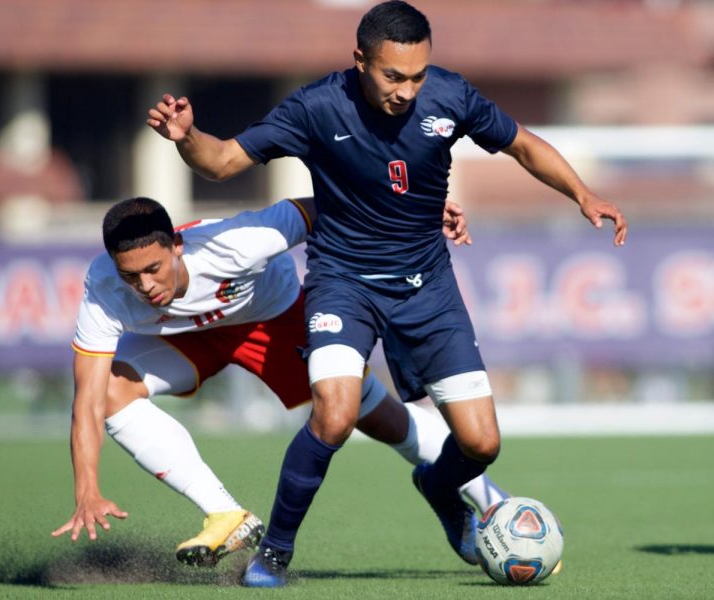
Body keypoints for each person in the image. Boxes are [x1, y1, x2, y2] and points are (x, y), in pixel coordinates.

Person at [147, 0, 627, 586]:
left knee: (482, 443)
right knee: (335, 416)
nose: (407, 90)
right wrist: (186, 136)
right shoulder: (316, 106)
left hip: (429, 287)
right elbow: (222, 162)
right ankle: (274, 552)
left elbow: (523, 144)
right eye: (393, 76)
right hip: (343, 283)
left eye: (418, 75)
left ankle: (435, 484)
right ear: (360, 61)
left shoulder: (451, 97)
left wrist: (582, 193)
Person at [51, 194, 510, 568]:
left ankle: (491, 504)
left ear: (176, 245)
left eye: (153, 269)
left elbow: (323, 206)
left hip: (274, 322)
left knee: (375, 419)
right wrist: (86, 488)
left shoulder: (235, 242)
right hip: (187, 339)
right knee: (112, 392)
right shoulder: (104, 288)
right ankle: (225, 514)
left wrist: (420, 210)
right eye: (132, 275)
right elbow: (87, 403)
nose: (146, 286)